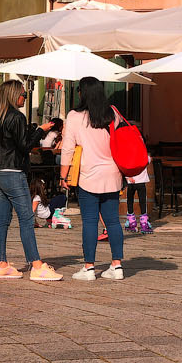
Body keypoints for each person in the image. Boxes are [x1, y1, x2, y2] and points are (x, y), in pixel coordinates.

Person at [0, 80, 64, 281]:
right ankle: (36, 266)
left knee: (2, 219)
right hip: (12, 171)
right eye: (23, 95)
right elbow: (25, 145)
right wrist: (41, 130)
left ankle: (1, 264)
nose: (24, 98)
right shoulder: (16, 117)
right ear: (13, 95)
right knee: (26, 218)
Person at [60, 77, 126, 280]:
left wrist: (63, 176)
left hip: (89, 175)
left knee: (89, 221)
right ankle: (117, 266)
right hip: (113, 174)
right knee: (113, 221)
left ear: (82, 93)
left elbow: (68, 148)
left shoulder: (74, 116)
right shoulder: (112, 114)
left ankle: (89, 267)